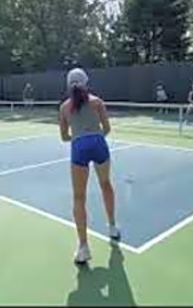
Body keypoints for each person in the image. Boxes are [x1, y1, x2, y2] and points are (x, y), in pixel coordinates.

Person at [58, 68, 120, 265]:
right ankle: (112, 227)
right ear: (86, 83)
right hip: (98, 143)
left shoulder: (64, 107)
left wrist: (78, 137)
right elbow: (107, 129)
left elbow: (64, 137)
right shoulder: (97, 102)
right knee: (106, 184)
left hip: (79, 147)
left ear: (69, 85)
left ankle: (83, 247)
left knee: (78, 196)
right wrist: (95, 136)